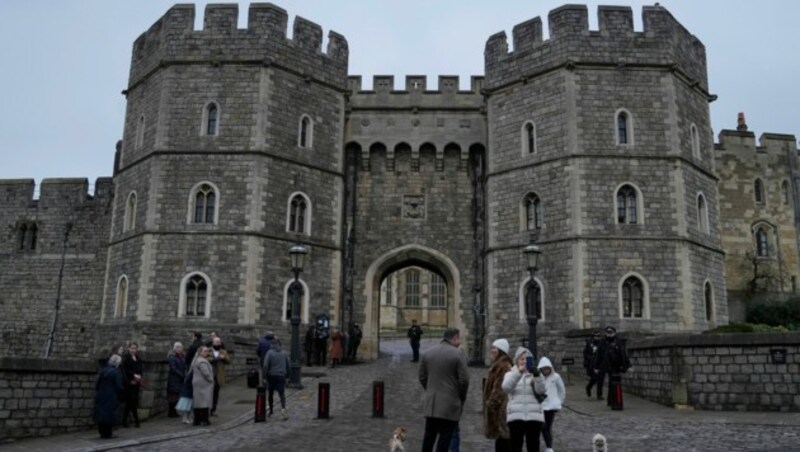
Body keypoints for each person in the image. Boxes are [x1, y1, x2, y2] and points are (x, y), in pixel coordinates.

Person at [419, 327, 469, 452]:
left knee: (429, 437)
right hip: (450, 404)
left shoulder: (427, 353)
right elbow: (464, 380)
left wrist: (430, 389)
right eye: (459, 338)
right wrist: (460, 395)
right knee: (445, 438)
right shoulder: (458, 354)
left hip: (431, 403)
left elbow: (422, 377)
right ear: (455, 338)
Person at [502, 346, 546, 452]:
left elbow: (541, 390)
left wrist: (537, 375)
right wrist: (519, 373)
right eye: (522, 359)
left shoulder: (536, 374)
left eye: (527, 359)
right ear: (516, 361)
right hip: (516, 416)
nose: (524, 361)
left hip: (534, 416)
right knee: (515, 445)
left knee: (533, 446)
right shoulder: (510, 374)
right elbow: (506, 388)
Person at [484, 338, 512, 452]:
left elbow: (499, 389)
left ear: (501, 350)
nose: (492, 350)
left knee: (503, 440)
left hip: (501, 409)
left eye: (495, 348)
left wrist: (490, 403)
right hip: (498, 408)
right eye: (492, 348)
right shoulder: (498, 364)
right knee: (501, 440)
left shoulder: (503, 366)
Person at [537, 356, 566, 452]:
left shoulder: (556, 377)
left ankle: (549, 447)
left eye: (547, 368)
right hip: (540, 406)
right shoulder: (538, 378)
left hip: (551, 407)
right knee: (542, 426)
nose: (545, 370)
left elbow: (562, 391)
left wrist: (559, 402)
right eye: (544, 368)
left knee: (548, 427)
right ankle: (548, 445)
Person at [599, 326, 631, 408]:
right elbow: (598, 355)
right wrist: (596, 366)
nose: (609, 335)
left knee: (615, 384)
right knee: (611, 383)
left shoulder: (618, 342)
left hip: (617, 365)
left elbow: (623, 355)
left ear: (614, 333)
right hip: (608, 365)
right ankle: (611, 400)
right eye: (608, 333)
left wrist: (627, 365)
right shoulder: (603, 342)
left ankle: (614, 400)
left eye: (611, 333)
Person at [94, 354, 124, 439]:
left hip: (102, 395)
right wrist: (121, 395)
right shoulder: (116, 372)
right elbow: (118, 386)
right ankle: (108, 433)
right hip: (112, 396)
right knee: (110, 414)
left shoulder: (104, 370)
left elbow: (98, 384)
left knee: (102, 414)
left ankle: (102, 432)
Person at [263, 338, 291, 420]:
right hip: (281, 376)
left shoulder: (269, 353)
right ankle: (283, 409)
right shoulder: (284, 353)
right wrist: (288, 377)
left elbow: (265, 365)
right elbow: (288, 366)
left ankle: (271, 410)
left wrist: (264, 377)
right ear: (280, 344)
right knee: (281, 394)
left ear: (272, 345)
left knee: (270, 394)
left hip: (271, 376)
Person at [121, 342, 143, 428]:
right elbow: (126, 370)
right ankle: (136, 420)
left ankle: (126, 420)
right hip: (129, 383)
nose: (133, 350)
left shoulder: (138, 358)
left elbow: (140, 369)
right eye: (132, 348)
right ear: (129, 348)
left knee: (132, 402)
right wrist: (133, 375)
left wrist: (140, 376)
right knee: (130, 402)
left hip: (136, 383)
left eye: (135, 348)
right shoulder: (126, 358)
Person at [191, 346, 214, 426]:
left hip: (199, 383)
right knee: (204, 402)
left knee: (198, 402)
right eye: (204, 351)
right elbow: (206, 373)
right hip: (203, 384)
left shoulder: (197, 360)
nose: (206, 352)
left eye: (207, 351)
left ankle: (197, 420)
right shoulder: (202, 361)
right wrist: (211, 379)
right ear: (200, 352)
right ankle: (204, 420)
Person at [209, 335, 230, 416]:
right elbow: (209, 359)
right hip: (210, 375)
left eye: (219, 342)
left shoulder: (223, 352)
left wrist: (224, 358)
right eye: (217, 342)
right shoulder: (209, 350)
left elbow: (229, 361)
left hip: (218, 376)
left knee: (215, 393)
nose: (218, 344)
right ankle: (208, 408)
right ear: (213, 343)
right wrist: (218, 358)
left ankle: (213, 409)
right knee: (209, 393)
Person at [166, 342, 186, 418]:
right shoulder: (172, 357)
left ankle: (174, 411)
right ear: (174, 348)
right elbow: (173, 368)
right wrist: (181, 375)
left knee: (176, 396)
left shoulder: (182, 357)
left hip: (179, 380)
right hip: (173, 379)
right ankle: (171, 412)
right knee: (172, 397)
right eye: (178, 347)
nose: (179, 349)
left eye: (180, 347)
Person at [583, 331, 604, 399]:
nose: (597, 338)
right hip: (591, 364)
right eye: (596, 336)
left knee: (600, 379)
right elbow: (585, 353)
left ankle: (599, 395)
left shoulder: (602, 343)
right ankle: (589, 387)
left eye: (598, 336)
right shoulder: (589, 343)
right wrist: (589, 359)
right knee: (594, 378)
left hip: (600, 363)